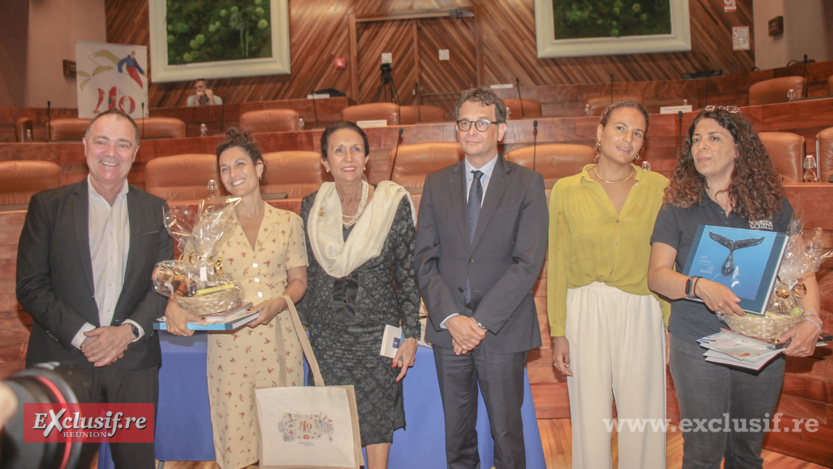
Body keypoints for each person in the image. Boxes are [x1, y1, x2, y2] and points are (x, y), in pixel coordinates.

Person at [648, 108, 821, 468]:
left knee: (746, 453)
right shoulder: (677, 206)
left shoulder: (772, 205)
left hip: (760, 342)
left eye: (714, 138)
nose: (701, 147)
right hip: (696, 343)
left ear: (739, 149)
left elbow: (802, 272)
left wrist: (812, 320)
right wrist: (698, 286)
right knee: (702, 455)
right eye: (695, 140)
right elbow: (657, 276)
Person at [16, 109, 173, 468]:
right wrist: (87, 336)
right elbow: (30, 286)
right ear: (85, 146)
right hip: (62, 361)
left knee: (135, 461)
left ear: (135, 153)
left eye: (122, 144)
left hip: (132, 366)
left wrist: (126, 333)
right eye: (101, 141)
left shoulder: (156, 210)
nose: (110, 152)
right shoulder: (47, 206)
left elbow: (162, 286)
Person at [413, 87, 548, 469]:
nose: (473, 130)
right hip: (448, 331)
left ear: (500, 131)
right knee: (457, 439)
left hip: (502, 331)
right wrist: (453, 320)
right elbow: (424, 259)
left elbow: (527, 262)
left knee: (507, 437)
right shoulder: (437, 183)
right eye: (465, 123)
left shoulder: (526, 183)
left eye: (483, 122)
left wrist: (480, 322)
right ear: (457, 129)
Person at [164, 129, 308, 469]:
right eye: (225, 168)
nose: (233, 174)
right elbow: (187, 281)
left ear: (259, 168)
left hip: (279, 341)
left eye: (240, 164)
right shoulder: (210, 226)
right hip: (230, 347)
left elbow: (299, 281)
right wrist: (174, 301)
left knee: (282, 437)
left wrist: (278, 303)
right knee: (236, 435)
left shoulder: (289, 222)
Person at [548, 100, 669, 468]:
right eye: (620, 128)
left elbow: (668, 259)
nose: (627, 138)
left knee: (643, 416)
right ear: (599, 133)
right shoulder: (566, 190)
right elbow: (557, 264)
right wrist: (558, 331)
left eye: (637, 133)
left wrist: (666, 323)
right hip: (584, 306)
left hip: (642, 306)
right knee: (590, 415)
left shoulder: (660, 188)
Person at [298, 121, 420, 469]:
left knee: (377, 413)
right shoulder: (312, 207)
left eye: (355, 149)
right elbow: (304, 270)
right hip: (326, 334)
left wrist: (410, 333)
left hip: (376, 332)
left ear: (366, 158)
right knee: (331, 417)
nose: (347, 157)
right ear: (325, 161)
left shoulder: (391, 203)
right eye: (338, 150)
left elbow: (409, 273)